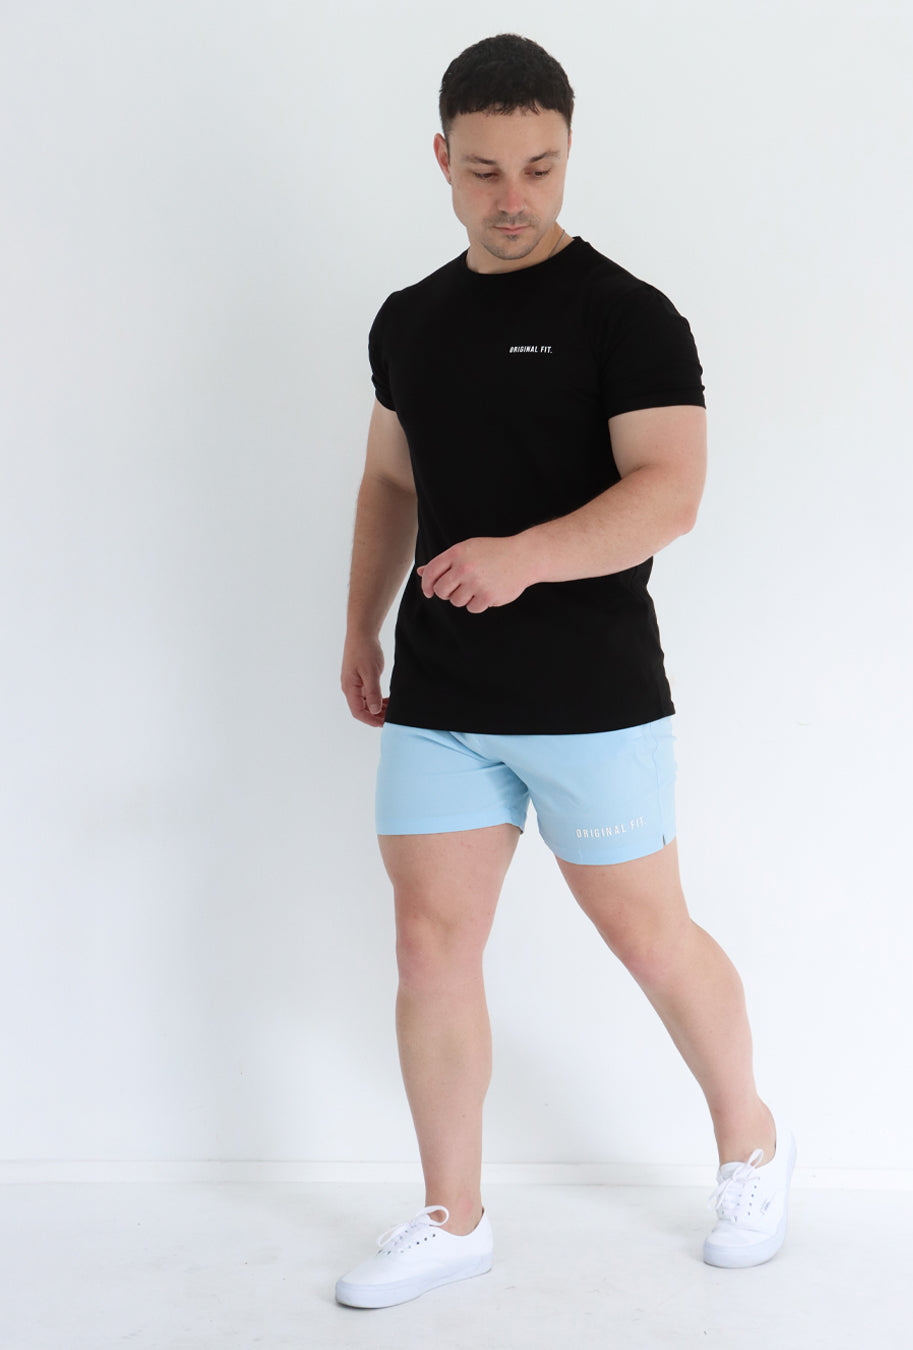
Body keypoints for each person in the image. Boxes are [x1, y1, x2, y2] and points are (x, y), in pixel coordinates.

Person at [335, 33, 796, 1310]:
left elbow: (671, 492)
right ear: (442, 157)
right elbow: (388, 479)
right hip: (441, 699)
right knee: (429, 947)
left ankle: (753, 1143)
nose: (514, 196)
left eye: (540, 167)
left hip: (592, 699)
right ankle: (453, 1218)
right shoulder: (409, 320)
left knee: (648, 936)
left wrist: (524, 558)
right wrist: (359, 627)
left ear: (567, 151)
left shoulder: (627, 316)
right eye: (485, 170)